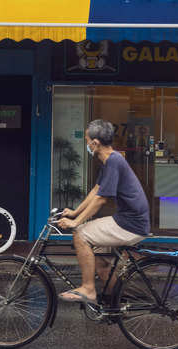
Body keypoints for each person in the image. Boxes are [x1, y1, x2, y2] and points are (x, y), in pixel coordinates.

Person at [57, 119, 150, 303]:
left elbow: (101, 199)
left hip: (131, 224)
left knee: (80, 234)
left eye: (86, 140)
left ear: (95, 143)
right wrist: (75, 213)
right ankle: (117, 301)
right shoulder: (110, 161)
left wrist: (76, 223)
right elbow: (96, 190)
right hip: (127, 220)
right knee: (98, 258)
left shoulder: (114, 161)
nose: (86, 144)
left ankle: (89, 289)